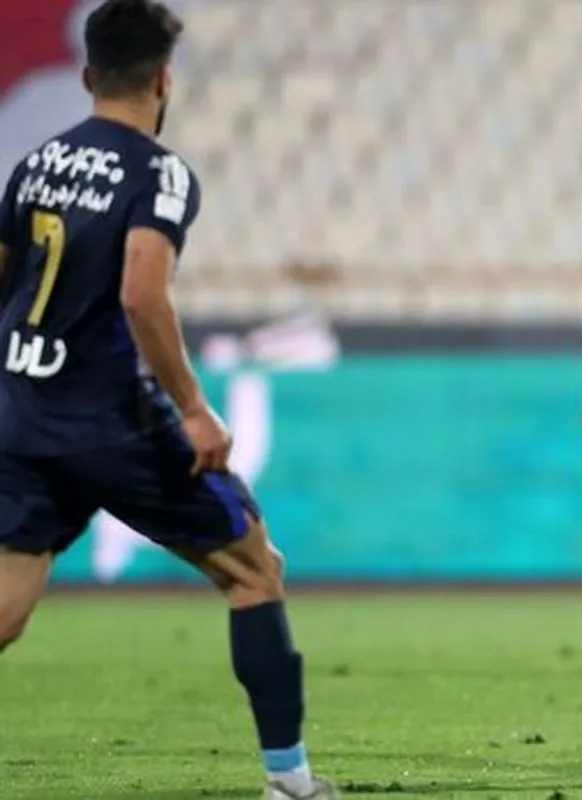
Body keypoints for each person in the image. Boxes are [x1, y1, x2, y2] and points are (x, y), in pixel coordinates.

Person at [0, 2, 339, 798]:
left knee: (6, 608)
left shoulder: (35, 163)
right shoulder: (159, 173)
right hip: (113, 421)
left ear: (88, 75)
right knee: (254, 570)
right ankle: (289, 781)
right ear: (163, 80)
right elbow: (142, 293)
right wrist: (192, 407)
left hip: (23, 410)